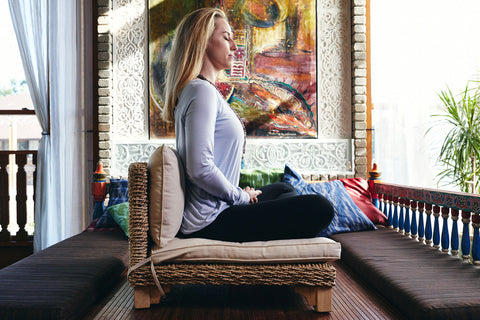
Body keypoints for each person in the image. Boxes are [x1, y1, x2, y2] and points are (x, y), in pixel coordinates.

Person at [162, 7, 334, 242]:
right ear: (202, 41)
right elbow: (200, 168)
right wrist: (240, 198)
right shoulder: (201, 91)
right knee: (320, 208)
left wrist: (239, 194)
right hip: (210, 221)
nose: (235, 47)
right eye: (226, 38)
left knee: (284, 190)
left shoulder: (200, 89)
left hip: (222, 206)